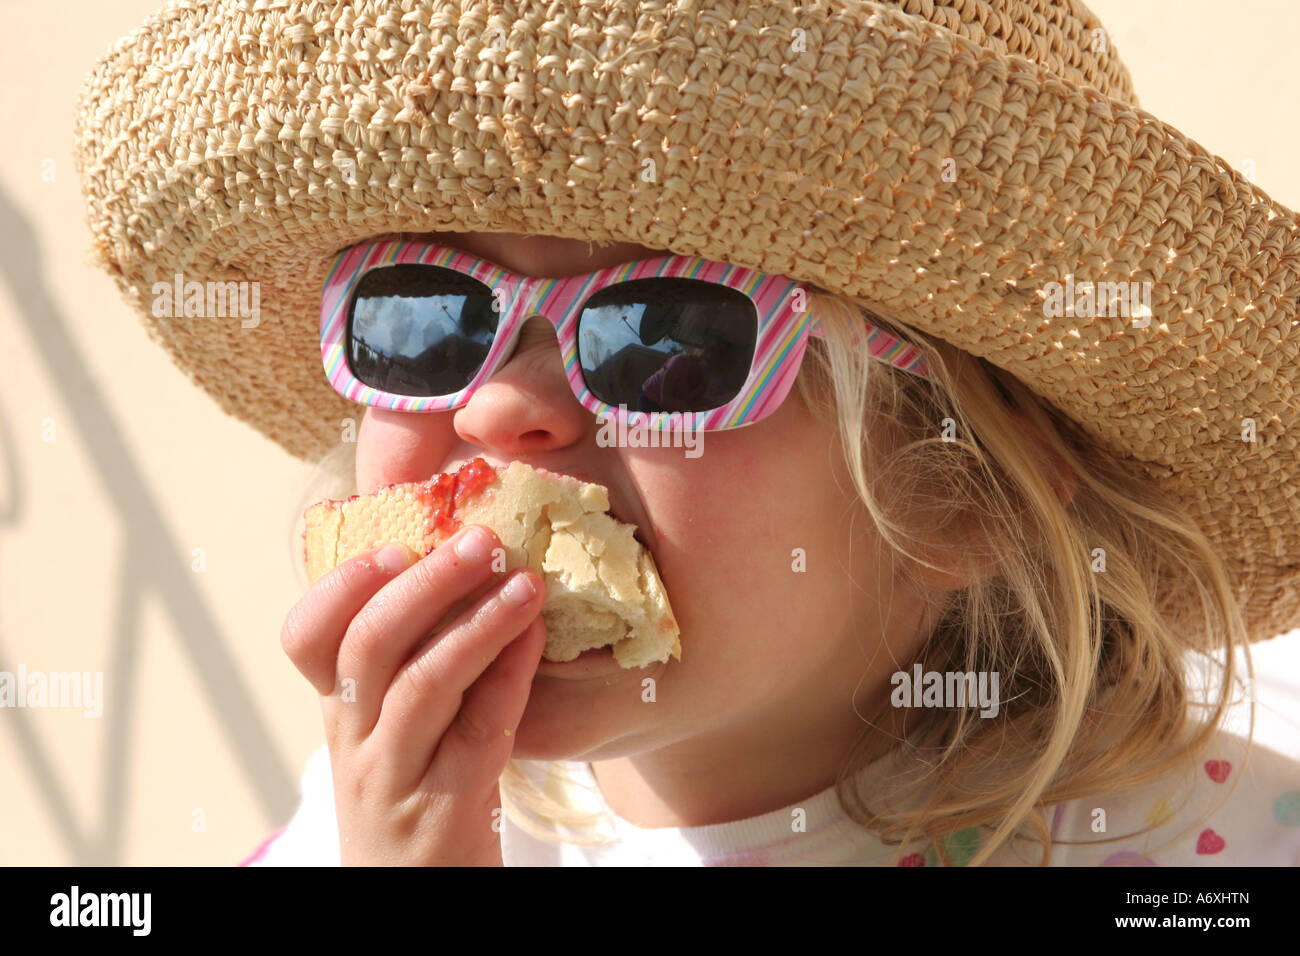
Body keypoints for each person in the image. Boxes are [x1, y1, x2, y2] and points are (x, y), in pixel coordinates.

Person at [75, 0, 1300, 866]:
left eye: (664, 336)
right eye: (423, 317)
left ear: (960, 493)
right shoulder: (380, 813)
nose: (501, 408)